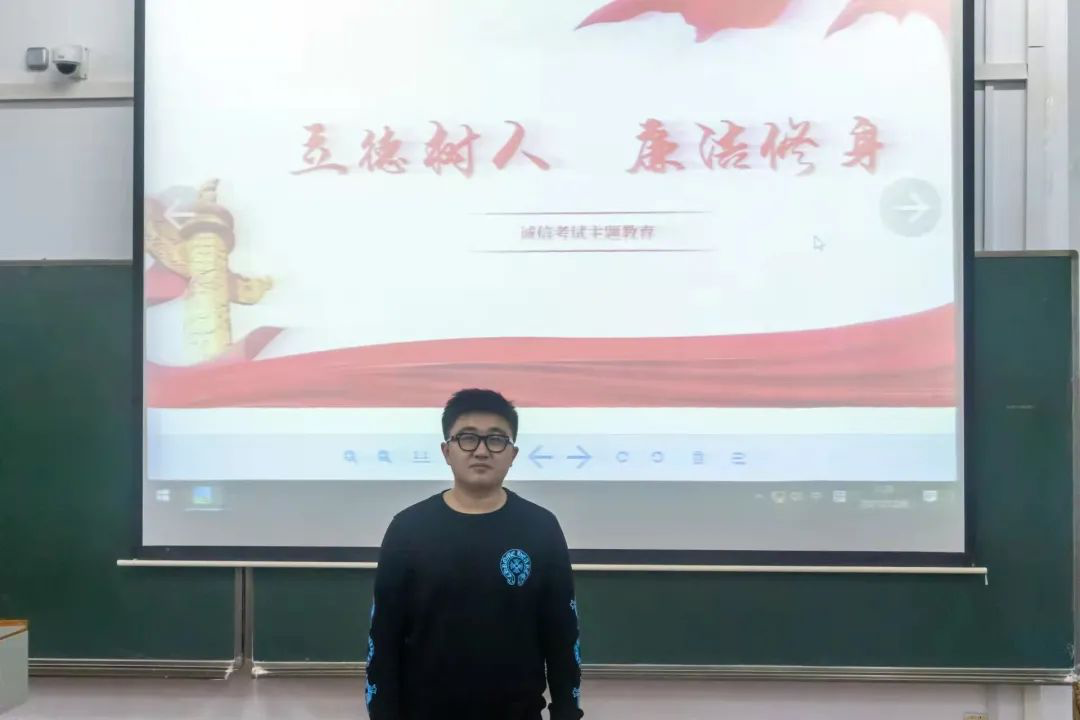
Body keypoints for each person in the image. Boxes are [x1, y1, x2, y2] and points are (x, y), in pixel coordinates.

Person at [365, 389, 584, 720]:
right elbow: (383, 637)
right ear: (446, 451)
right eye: (467, 438)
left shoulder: (541, 528)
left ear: (513, 453)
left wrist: (567, 711)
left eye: (496, 440)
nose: (481, 451)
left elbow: (562, 635)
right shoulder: (407, 529)